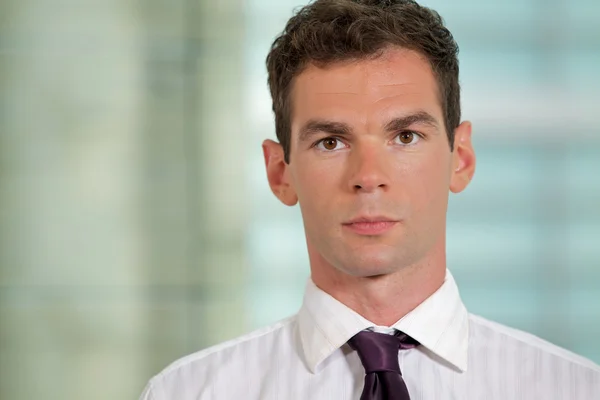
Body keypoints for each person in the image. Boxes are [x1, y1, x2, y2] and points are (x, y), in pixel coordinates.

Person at [139, 1, 600, 399]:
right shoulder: (187, 394)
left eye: (405, 136)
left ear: (460, 159)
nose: (368, 177)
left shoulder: (576, 391)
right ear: (280, 173)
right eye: (331, 142)